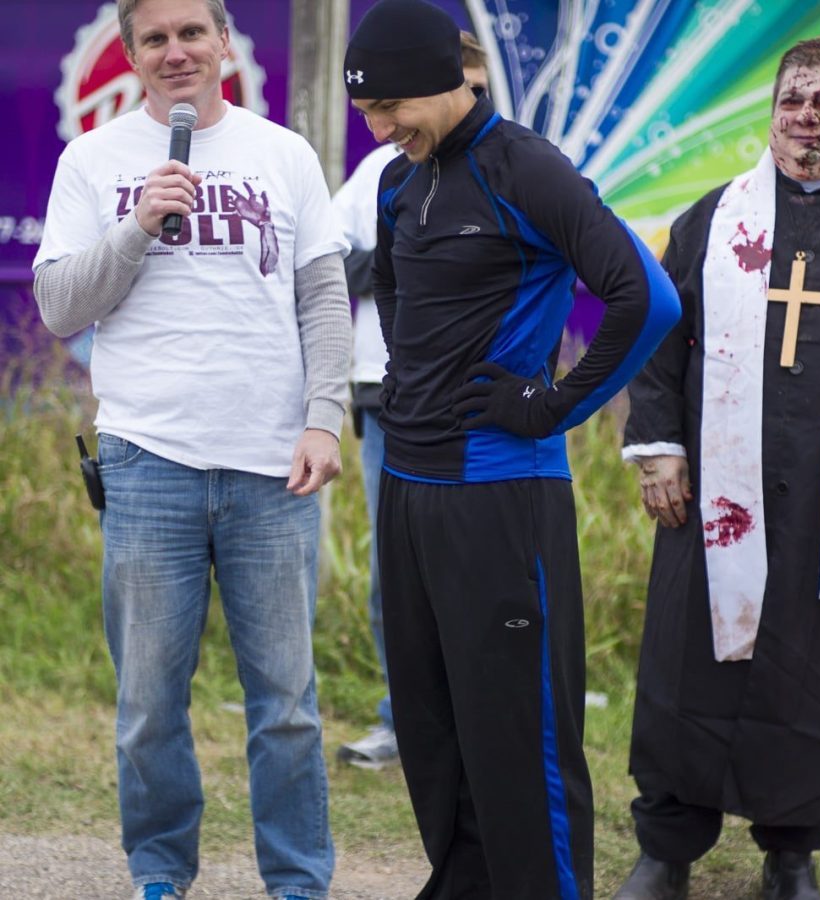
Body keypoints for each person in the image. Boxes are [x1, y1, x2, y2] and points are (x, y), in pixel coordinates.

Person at [342, 1, 681, 897]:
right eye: (365, 113)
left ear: (446, 82)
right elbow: (398, 303)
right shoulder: (394, 183)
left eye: (391, 109)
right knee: (433, 723)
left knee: (518, 736)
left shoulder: (525, 166)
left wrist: (553, 402)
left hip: (501, 494)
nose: (379, 130)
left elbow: (647, 300)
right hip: (409, 488)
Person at [32, 1, 351, 898]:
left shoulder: (282, 153)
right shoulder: (92, 162)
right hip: (147, 462)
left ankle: (297, 882)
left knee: (285, 704)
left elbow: (323, 300)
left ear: (221, 43)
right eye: (156, 39)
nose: (176, 53)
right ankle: (161, 875)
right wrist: (136, 227)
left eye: (192, 34)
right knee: (147, 707)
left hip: (272, 467)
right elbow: (59, 308)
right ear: (129, 56)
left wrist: (324, 416)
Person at [616, 35, 820, 900]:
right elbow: (660, 338)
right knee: (685, 666)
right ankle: (666, 850)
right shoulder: (716, 217)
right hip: (714, 494)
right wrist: (659, 447)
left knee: (812, 670)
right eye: (792, 102)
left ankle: (792, 852)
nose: (806, 119)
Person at [333, 30, 490, 771]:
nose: (472, 101)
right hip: (391, 400)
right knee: (398, 571)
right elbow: (326, 265)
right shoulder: (381, 169)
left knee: (487, 572)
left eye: (481, 88)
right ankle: (406, 721)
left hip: (489, 405)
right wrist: (410, 256)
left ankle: (486, 723)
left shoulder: (517, 163)